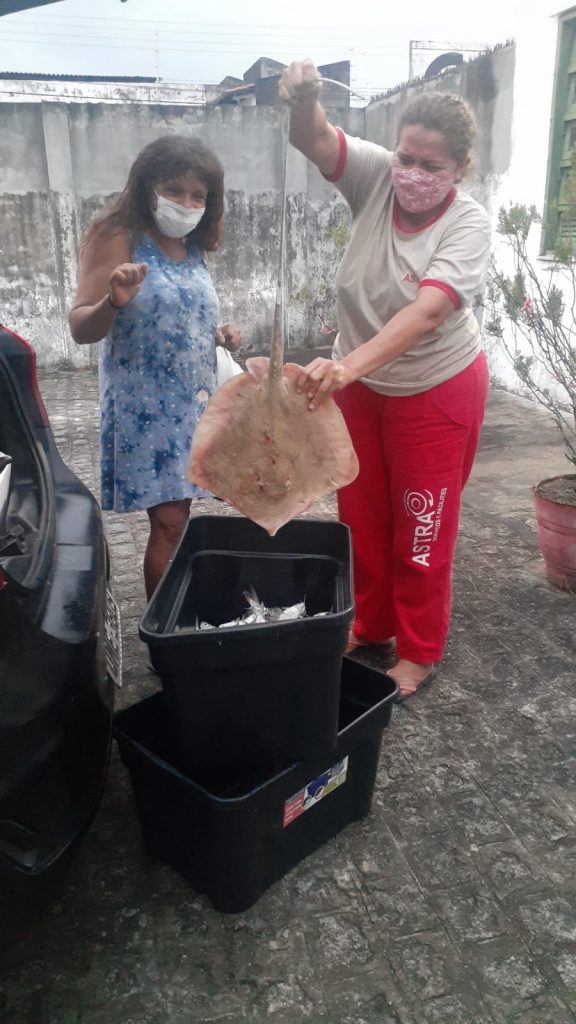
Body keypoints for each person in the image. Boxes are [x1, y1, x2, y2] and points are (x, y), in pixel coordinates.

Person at [279, 61, 491, 700]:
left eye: (431, 165)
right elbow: (313, 137)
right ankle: (371, 624)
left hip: (436, 386)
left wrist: (345, 367)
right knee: (362, 516)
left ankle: (420, 649)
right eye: (406, 157)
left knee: (421, 526)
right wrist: (305, 98)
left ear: (460, 168)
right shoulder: (375, 176)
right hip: (362, 388)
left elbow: (427, 313)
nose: (413, 173)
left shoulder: (469, 225)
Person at [69, 135, 241, 599]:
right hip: (145, 409)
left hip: (193, 403)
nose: (186, 203)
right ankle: (165, 630)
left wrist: (219, 333)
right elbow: (81, 327)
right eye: (174, 190)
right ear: (147, 187)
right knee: (169, 522)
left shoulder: (192, 246)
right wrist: (113, 301)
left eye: (198, 195)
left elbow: (178, 313)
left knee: (180, 520)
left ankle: (180, 611)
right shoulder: (117, 236)